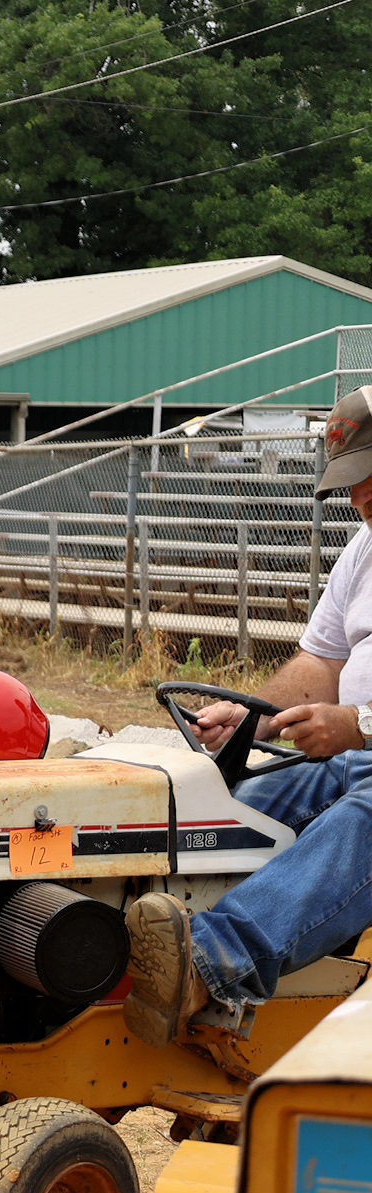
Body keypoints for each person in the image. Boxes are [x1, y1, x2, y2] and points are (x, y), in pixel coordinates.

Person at [125, 384, 372, 1053]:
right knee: (233, 806)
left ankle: (208, 965)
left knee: (367, 817)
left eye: (371, 479)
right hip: (349, 757)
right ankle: (127, 944)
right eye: (351, 484)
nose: (359, 498)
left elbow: (353, 715)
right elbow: (319, 663)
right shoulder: (364, 549)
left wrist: (362, 725)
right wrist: (254, 720)